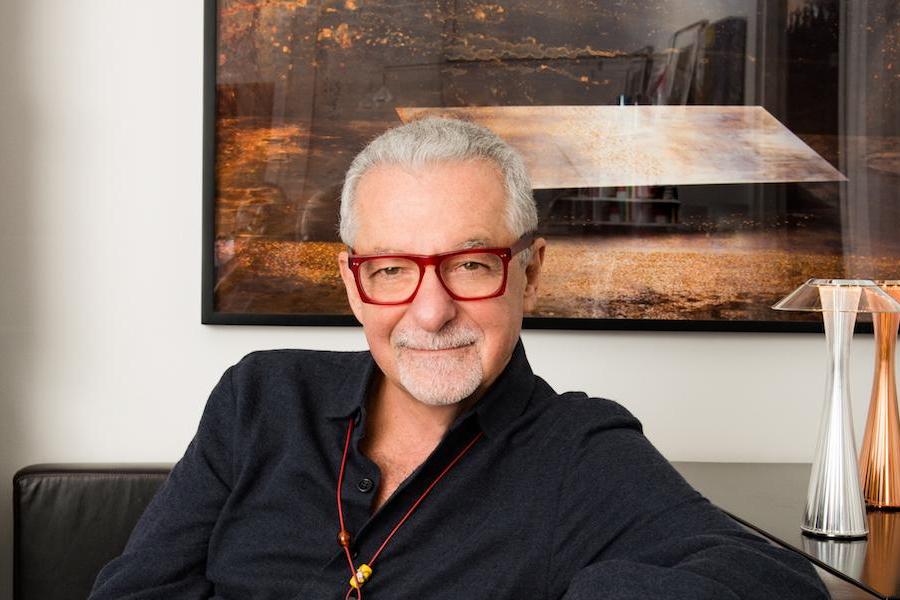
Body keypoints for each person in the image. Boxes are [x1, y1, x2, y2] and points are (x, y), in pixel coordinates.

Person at [90, 117, 828, 599]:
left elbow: (779, 585)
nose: (431, 311)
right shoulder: (260, 398)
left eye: (471, 265)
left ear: (531, 272)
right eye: (391, 270)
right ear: (353, 284)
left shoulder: (579, 452)